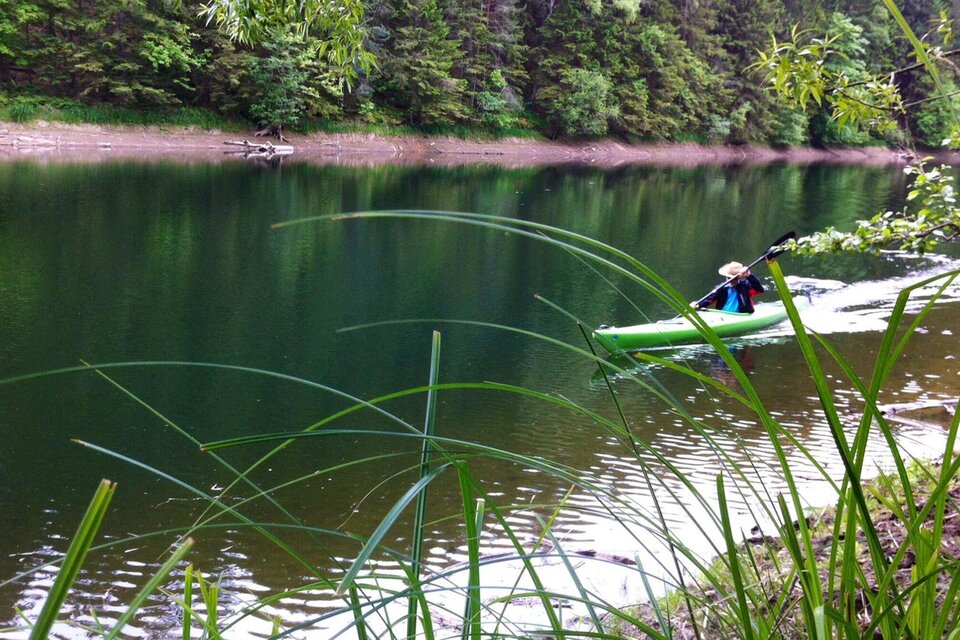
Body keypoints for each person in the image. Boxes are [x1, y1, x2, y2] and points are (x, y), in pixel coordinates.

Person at [696, 261, 764, 313]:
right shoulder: (721, 288)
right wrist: (698, 304)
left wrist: (749, 276)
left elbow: (759, 290)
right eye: (729, 278)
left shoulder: (745, 286)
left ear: (739, 278)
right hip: (722, 315)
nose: (731, 281)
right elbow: (709, 300)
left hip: (741, 315)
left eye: (735, 278)